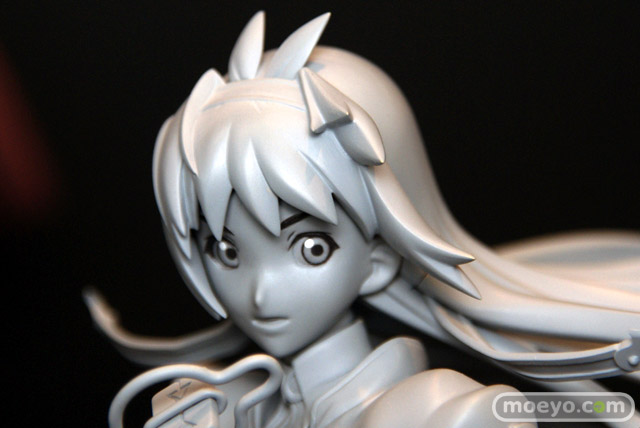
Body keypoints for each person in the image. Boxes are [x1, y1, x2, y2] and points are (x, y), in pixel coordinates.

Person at [90, 11, 639, 428]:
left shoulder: (430, 411)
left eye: (311, 248)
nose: (260, 293)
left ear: (377, 262)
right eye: (227, 251)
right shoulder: (225, 403)